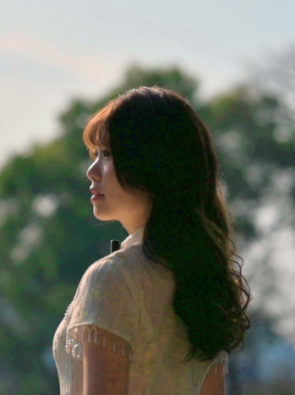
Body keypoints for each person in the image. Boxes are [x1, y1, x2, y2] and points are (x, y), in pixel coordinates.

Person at [52, 87, 251, 395]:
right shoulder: (200, 285)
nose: (91, 171)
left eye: (108, 154)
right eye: (96, 155)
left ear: (152, 165)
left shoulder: (112, 278)